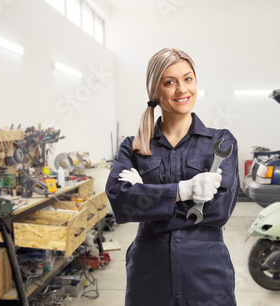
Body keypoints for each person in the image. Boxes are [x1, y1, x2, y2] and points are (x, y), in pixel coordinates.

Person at [105, 48, 240, 306]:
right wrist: (183, 191)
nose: (182, 90)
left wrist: (149, 205)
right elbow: (121, 202)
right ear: (155, 92)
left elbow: (219, 209)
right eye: (170, 82)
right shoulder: (133, 146)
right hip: (148, 273)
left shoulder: (220, 141)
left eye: (188, 79)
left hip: (207, 273)